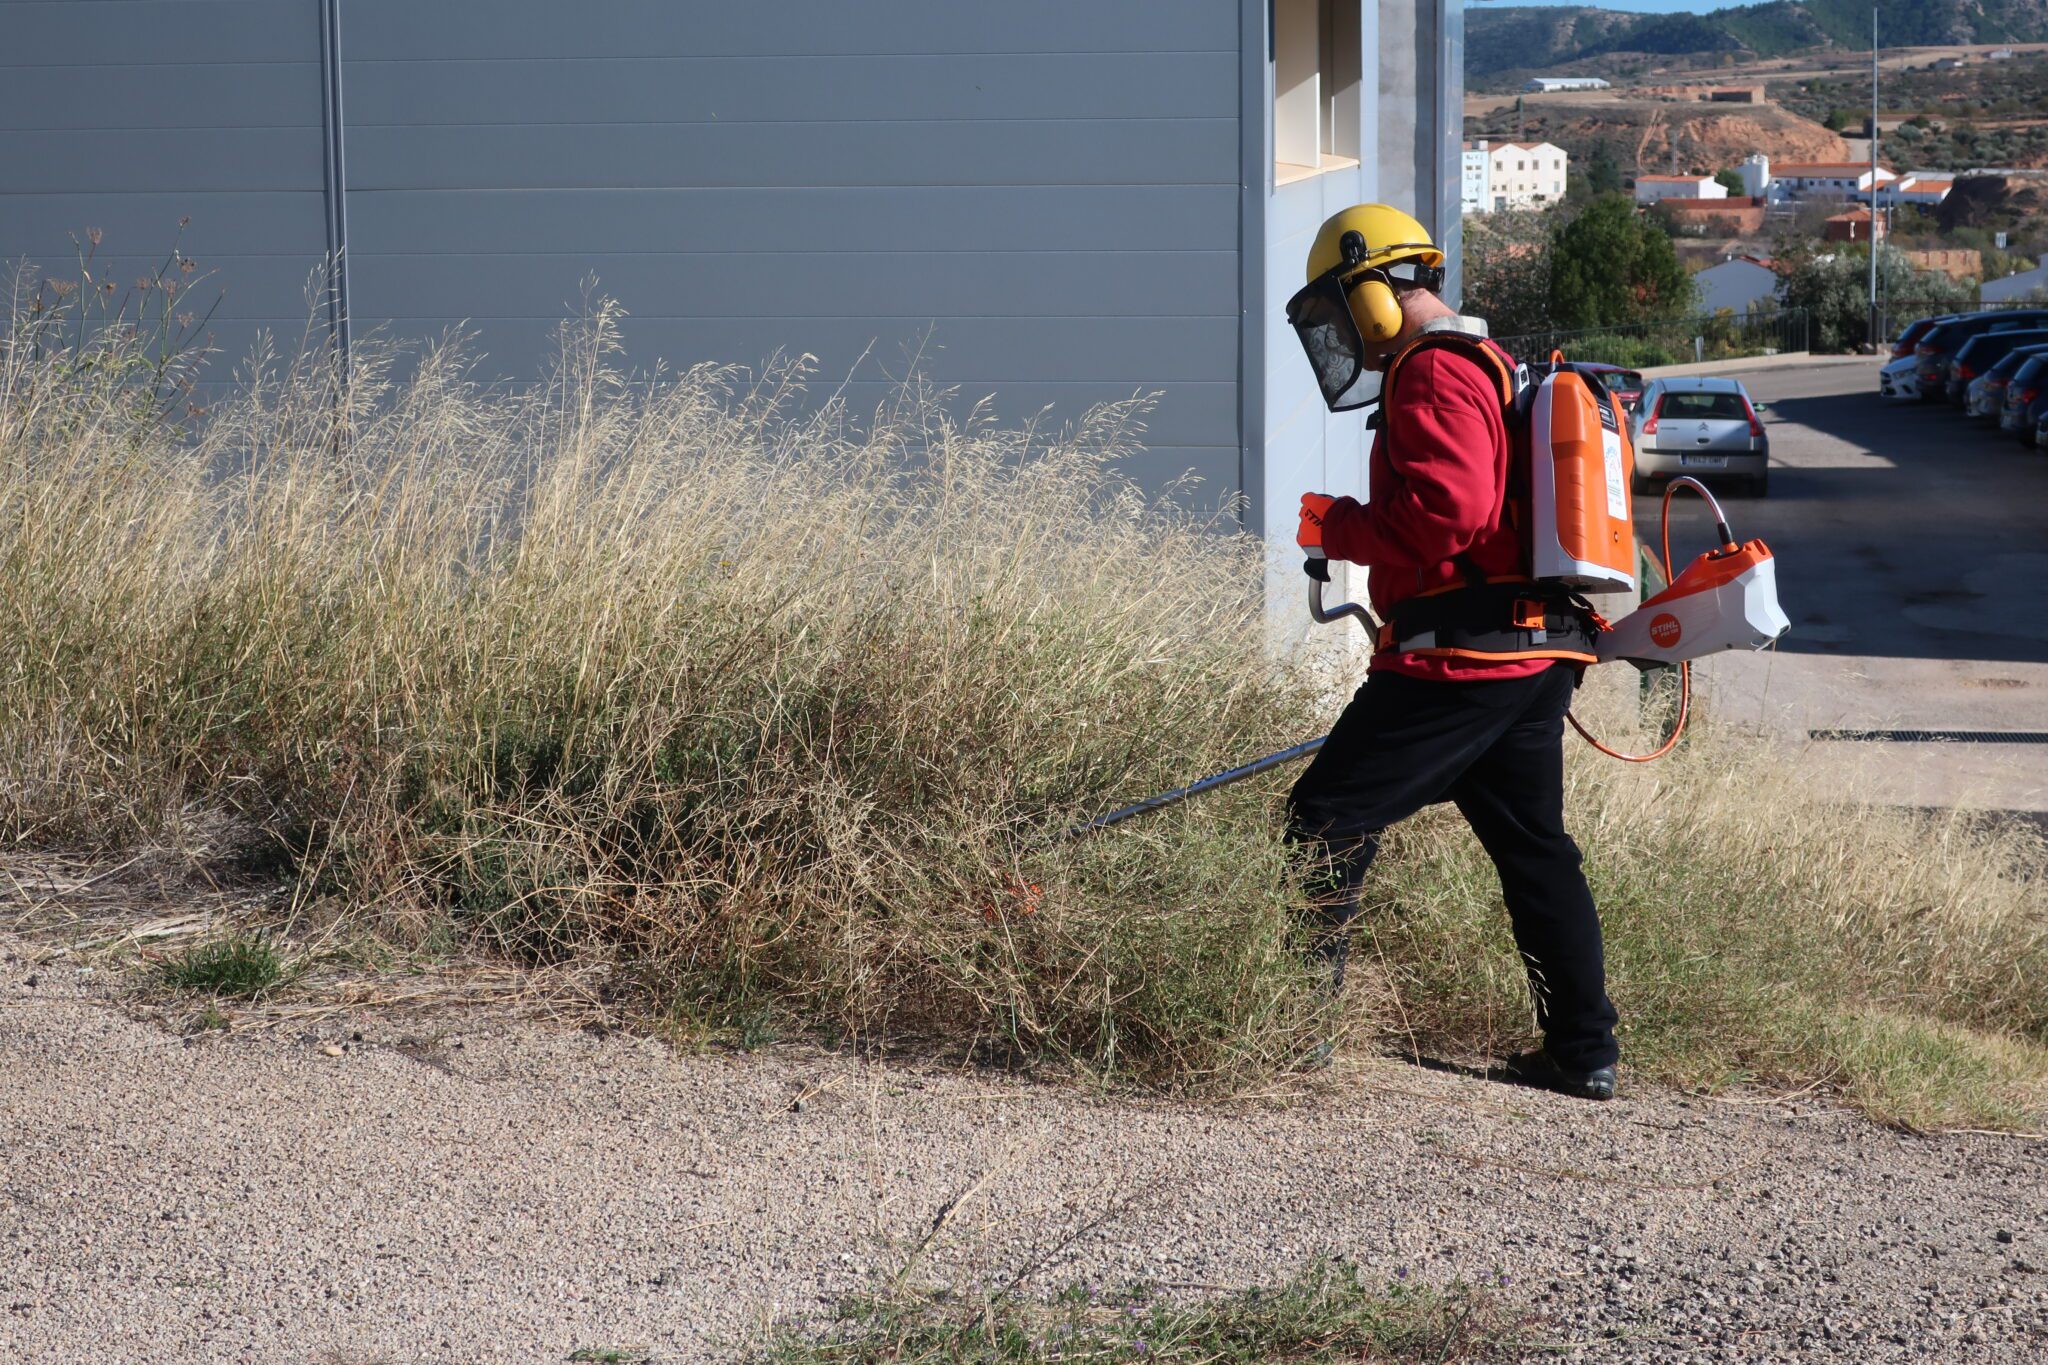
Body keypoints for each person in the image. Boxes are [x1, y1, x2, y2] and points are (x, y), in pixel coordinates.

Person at [1280, 203, 1619, 1101]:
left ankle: (1288, 1032)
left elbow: (1450, 513)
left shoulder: (1432, 372)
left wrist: (1337, 524)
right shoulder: (1487, 358)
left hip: (1461, 659)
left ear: (1373, 287)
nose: (1344, 334)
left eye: (1340, 310)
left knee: (1322, 818)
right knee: (1536, 850)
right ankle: (1583, 1052)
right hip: (1527, 653)